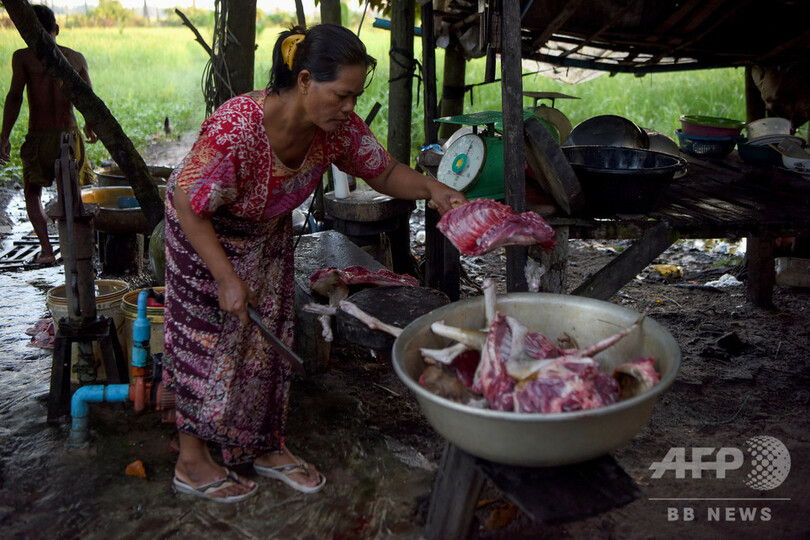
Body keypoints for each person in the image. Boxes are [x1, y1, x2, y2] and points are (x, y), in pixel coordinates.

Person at [164, 23, 466, 503]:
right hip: (204, 234)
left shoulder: (336, 130)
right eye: (342, 95)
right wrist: (224, 276)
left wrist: (434, 189)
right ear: (304, 81)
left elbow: (383, 170)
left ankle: (261, 446)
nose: (350, 107)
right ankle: (192, 460)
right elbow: (187, 201)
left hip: (264, 235)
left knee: (266, 342)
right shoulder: (236, 128)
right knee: (205, 342)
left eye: (355, 96)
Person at [0, 5, 98, 265]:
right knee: (72, 196)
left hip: (39, 136)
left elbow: (14, 97)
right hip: (70, 136)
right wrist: (90, 123)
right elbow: (88, 98)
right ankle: (74, 249)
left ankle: (46, 251)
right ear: (56, 29)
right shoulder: (76, 58)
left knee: (32, 194)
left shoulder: (23, 57)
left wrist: (4, 136)